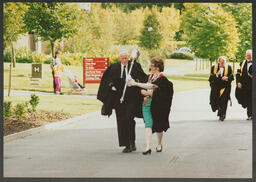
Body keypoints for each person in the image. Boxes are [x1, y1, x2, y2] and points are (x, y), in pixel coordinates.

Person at [97, 50, 147, 153]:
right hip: (118, 98)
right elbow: (106, 81)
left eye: (126, 58)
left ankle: (132, 141)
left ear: (129, 58)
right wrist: (112, 87)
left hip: (132, 97)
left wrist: (134, 81)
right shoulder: (113, 67)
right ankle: (126, 144)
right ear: (119, 58)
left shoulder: (134, 66)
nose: (124, 60)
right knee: (121, 120)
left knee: (129, 117)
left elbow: (143, 78)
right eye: (122, 58)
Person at [129, 57, 174, 155]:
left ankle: (159, 144)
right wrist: (144, 91)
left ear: (157, 67)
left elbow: (151, 86)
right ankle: (148, 147)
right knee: (148, 124)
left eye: (152, 65)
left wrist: (136, 84)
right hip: (146, 104)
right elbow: (144, 88)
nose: (150, 67)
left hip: (157, 105)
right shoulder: (149, 77)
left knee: (158, 125)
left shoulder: (162, 79)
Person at [208, 56, 234, 121]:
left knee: (224, 101)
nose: (223, 63)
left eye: (224, 62)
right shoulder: (214, 67)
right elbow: (210, 78)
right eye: (221, 62)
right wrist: (216, 74)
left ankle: (222, 115)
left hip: (225, 87)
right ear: (219, 62)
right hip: (216, 86)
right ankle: (218, 110)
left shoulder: (229, 67)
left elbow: (232, 77)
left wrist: (227, 78)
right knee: (214, 100)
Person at [235, 50, 253, 120]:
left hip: (253, 84)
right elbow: (238, 74)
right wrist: (238, 82)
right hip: (245, 85)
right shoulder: (242, 63)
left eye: (249, 55)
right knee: (248, 100)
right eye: (247, 55)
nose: (248, 56)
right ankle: (250, 115)